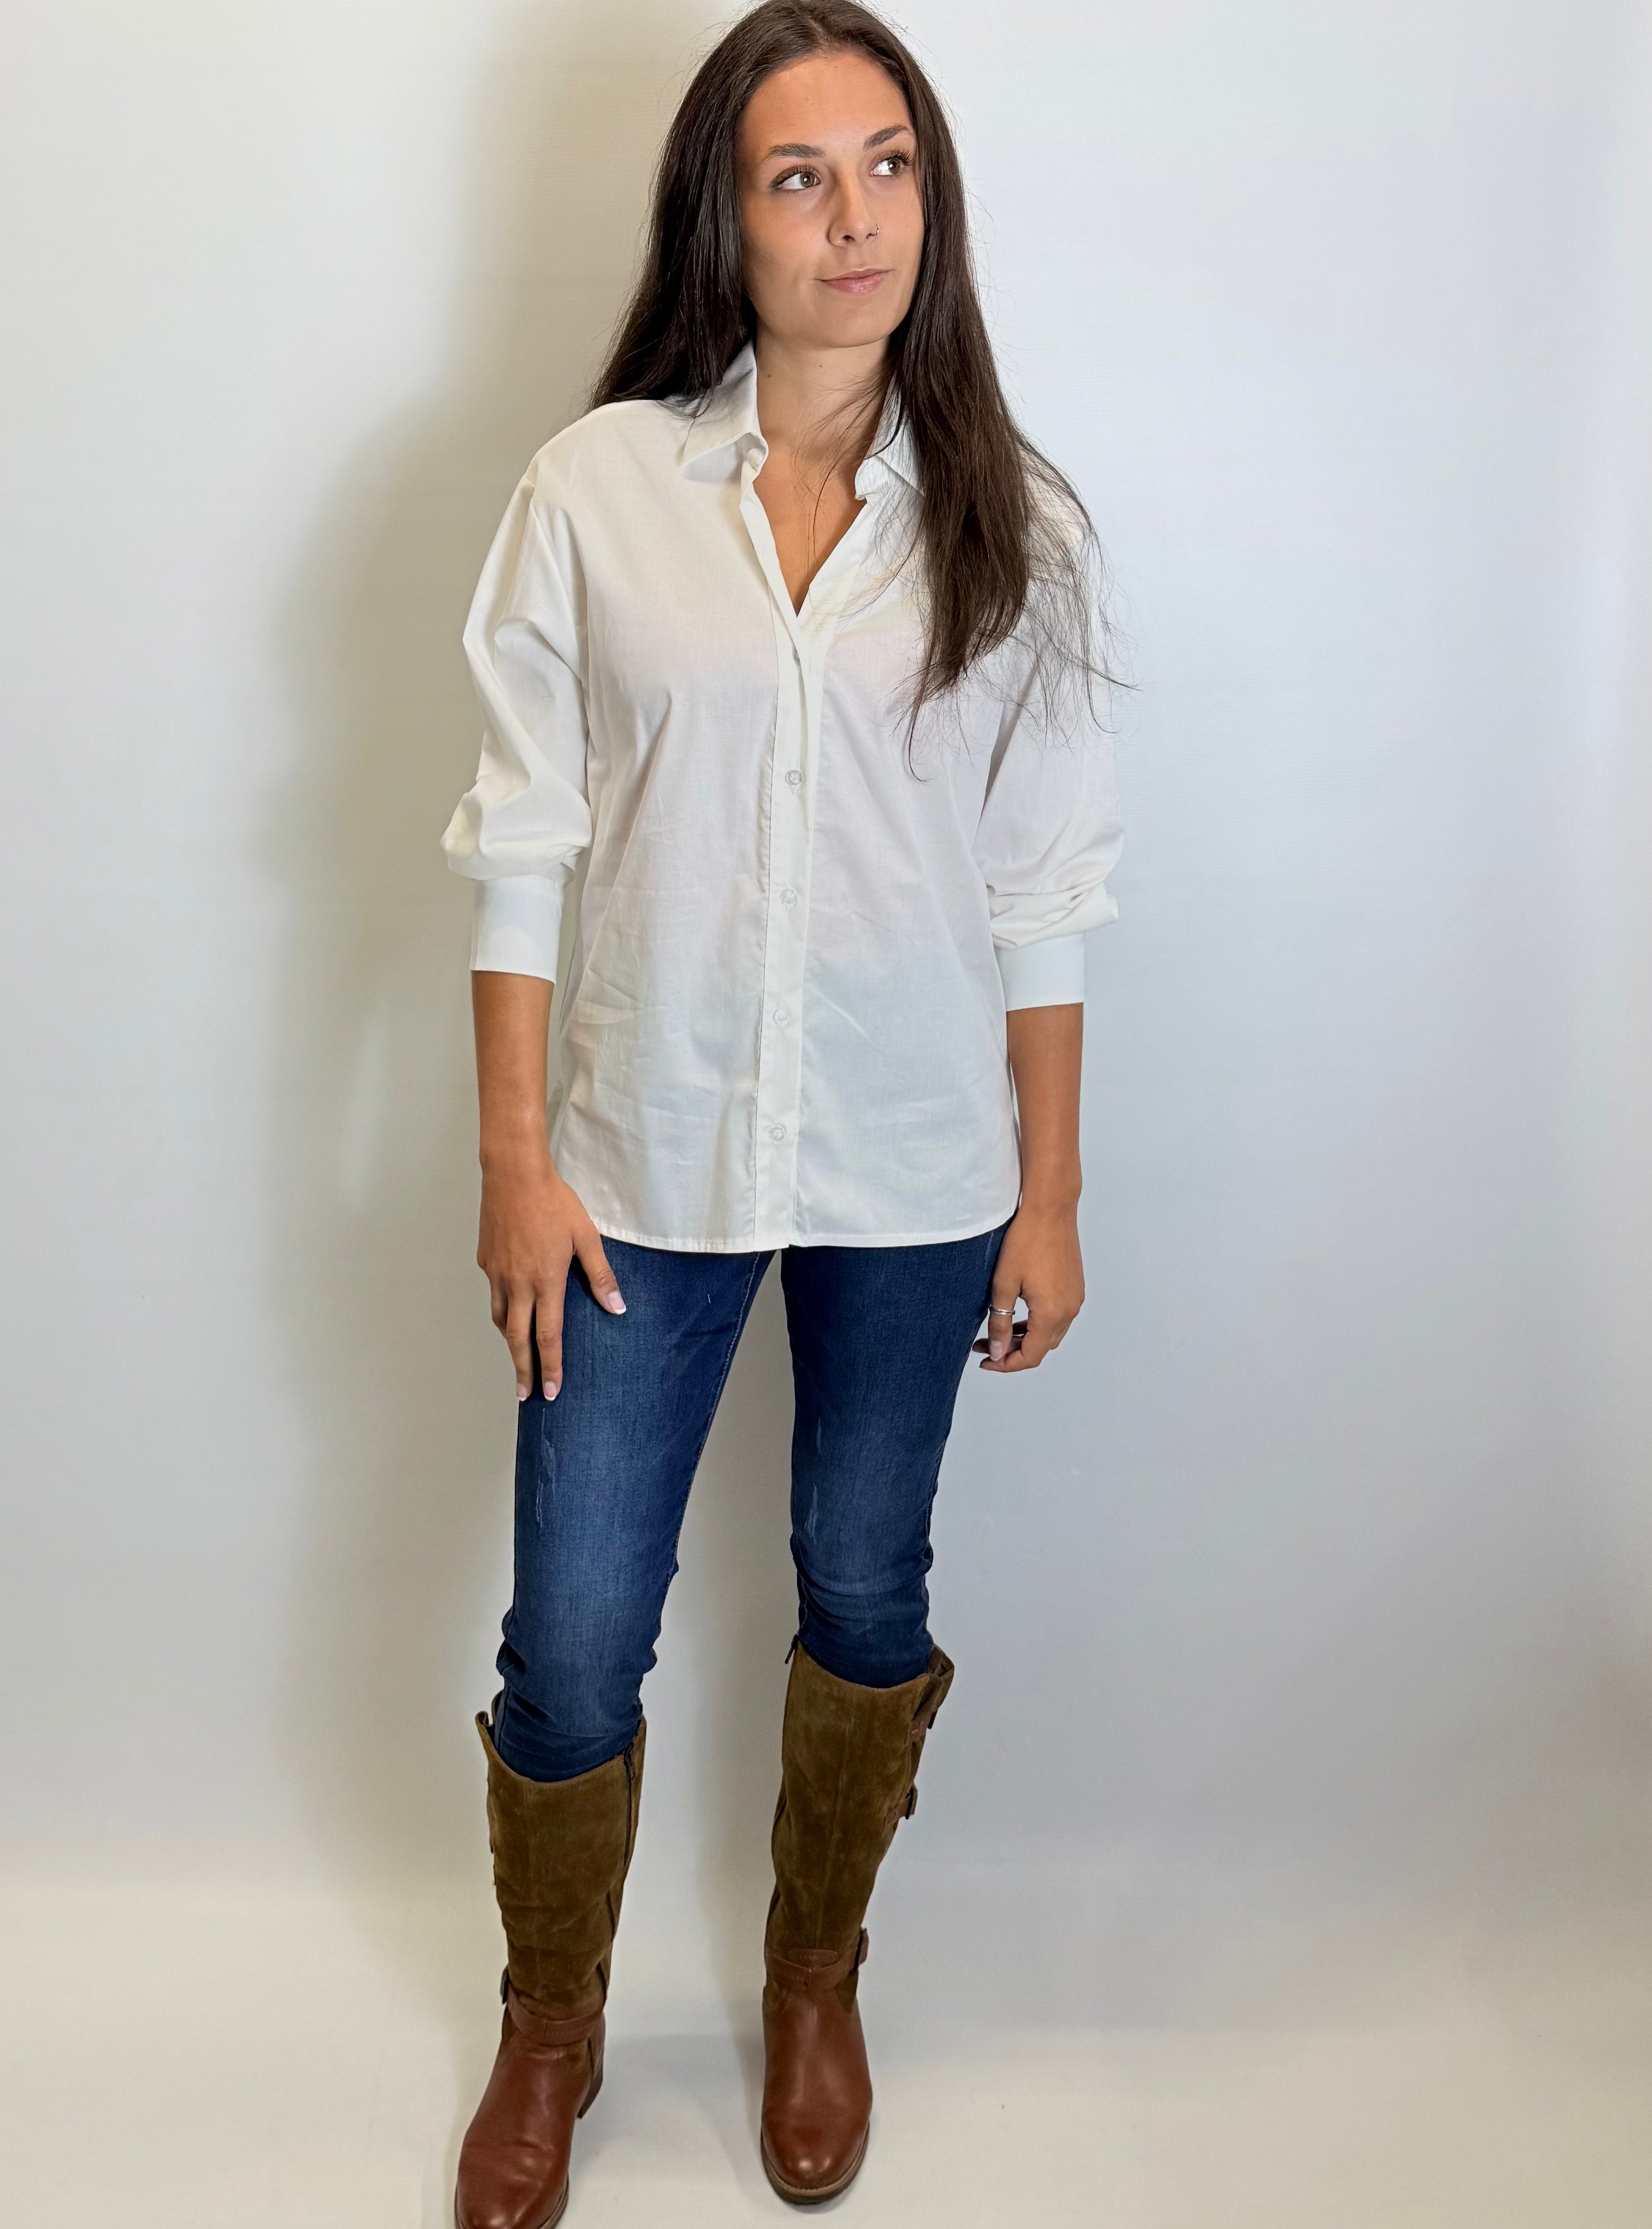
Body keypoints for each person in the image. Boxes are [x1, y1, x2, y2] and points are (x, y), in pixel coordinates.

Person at [440, 3, 1124, 2220]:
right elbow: (521, 840)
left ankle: (812, 1973)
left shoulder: (1013, 526)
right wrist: (513, 1163)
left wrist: (1049, 1194)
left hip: (921, 1177)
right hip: (633, 1163)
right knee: (568, 1633)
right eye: (795, 175)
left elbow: (1038, 889)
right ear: (719, 224)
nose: (852, 218)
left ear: (935, 201)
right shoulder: (596, 494)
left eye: (889, 164)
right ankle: (552, 2020)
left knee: (861, 1580)